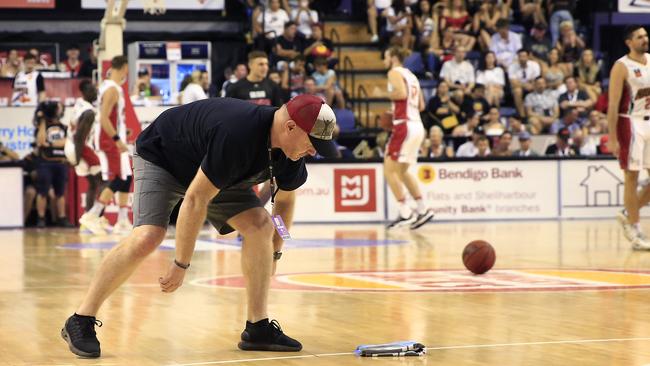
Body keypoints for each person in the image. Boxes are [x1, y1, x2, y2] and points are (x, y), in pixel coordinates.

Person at [61, 94, 339, 357]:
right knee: (148, 236)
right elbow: (195, 199)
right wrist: (181, 264)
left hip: (214, 172)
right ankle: (81, 318)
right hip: (165, 156)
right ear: (290, 126)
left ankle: (257, 327)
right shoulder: (239, 133)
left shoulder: (292, 153)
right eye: (312, 142)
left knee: (260, 226)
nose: (314, 151)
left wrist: (277, 250)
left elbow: (284, 204)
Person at [607, 25, 650, 250]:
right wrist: (612, 137)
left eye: (646, 35)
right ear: (629, 42)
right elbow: (613, 104)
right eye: (639, 37)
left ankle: (627, 211)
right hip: (630, 123)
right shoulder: (621, 66)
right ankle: (635, 229)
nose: (645, 39)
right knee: (632, 176)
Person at [79, 56, 133, 234]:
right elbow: (103, 118)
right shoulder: (112, 89)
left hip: (112, 137)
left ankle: (123, 220)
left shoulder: (109, 87)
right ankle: (92, 215)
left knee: (127, 176)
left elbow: (109, 117)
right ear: (124, 67)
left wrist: (122, 133)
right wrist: (117, 139)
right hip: (108, 139)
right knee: (120, 177)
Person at [383, 46, 433, 230]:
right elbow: (420, 105)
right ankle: (423, 208)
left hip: (404, 125)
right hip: (417, 125)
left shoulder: (394, 72)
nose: (384, 60)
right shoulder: (412, 76)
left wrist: (384, 95)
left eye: (386, 56)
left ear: (393, 57)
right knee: (403, 171)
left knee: (389, 170)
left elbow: (401, 94)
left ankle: (405, 212)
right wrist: (395, 110)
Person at [64, 80, 106, 234]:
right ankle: (92, 217)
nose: (95, 92)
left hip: (71, 145)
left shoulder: (79, 104)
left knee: (93, 183)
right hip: (80, 147)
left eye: (96, 89)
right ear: (85, 91)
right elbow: (80, 137)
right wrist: (76, 158)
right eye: (92, 90)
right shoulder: (89, 111)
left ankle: (90, 219)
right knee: (105, 180)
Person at [33, 101, 71, 228]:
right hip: (45, 163)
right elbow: (41, 141)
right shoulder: (42, 126)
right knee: (42, 192)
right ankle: (41, 217)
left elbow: (67, 141)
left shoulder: (64, 127)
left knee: (60, 192)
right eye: (58, 108)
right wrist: (42, 121)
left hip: (61, 163)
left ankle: (62, 217)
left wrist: (51, 144)